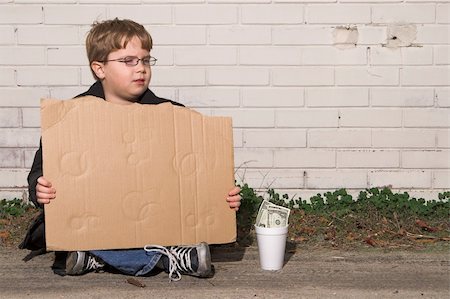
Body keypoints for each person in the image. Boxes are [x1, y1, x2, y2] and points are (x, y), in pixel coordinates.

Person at [26, 18, 242, 281]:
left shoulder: (174, 117)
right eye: (128, 61)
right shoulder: (69, 118)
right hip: (97, 223)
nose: (140, 68)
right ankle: (168, 258)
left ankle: (96, 258)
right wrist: (41, 187)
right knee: (66, 229)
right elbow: (39, 172)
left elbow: (200, 176)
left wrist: (223, 196)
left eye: (145, 60)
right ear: (99, 68)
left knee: (167, 227)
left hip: (153, 221)